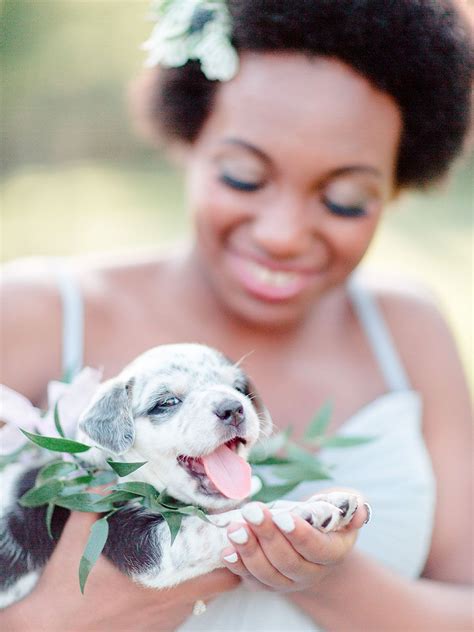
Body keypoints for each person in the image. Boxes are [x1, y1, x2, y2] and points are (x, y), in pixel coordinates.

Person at [1, 0, 473, 630]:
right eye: (245, 178)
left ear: (398, 182)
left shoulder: (410, 331)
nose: (283, 234)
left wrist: (321, 575)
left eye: (344, 200)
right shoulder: (31, 312)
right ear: (189, 137)